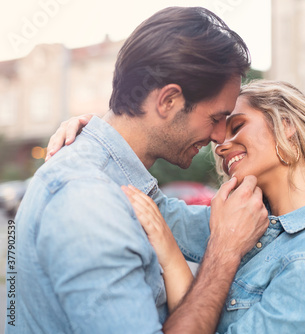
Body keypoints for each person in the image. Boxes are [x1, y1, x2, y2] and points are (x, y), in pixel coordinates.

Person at [7, 7, 268, 334]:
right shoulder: (86, 201)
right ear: (168, 101)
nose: (219, 137)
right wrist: (223, 256)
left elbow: (213, 226)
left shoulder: (117, 181)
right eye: (216, 118)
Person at [50, 80, 305, 333]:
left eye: (237, 127)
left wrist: (175, 262)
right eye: (220, 133)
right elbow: (149, 206)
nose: (220, 145)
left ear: (286, 125)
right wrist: (102, 134)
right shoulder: (253, 222)